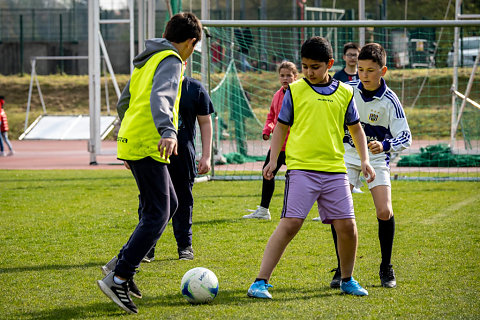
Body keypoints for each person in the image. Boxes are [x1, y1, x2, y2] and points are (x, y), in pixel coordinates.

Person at [246, 36, 375, 299]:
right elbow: (281, 126)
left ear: (329, 64)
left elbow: (356, 129)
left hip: (335, 171)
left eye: (314, 67)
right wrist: (272, 160)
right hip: (302, 169)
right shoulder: (294, 91)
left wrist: (364, 160)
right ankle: (259, 282)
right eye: (304, 66)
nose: (308, 72)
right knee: (290, 223)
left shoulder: (344, 92)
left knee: (347, 227)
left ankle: (347, 279)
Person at [97, 12, 202, 314]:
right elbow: (162, 97)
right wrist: (168, 131)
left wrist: (129, 137)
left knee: (170, 204)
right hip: (149, 142)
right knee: (158, 212)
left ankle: (120, 263)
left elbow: (123, 102)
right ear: (191, 42)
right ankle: (119, 276)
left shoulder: (148, 58)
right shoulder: (170, 60)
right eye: (194, 46)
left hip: (136, 141)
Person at [328, 43, 412, 289]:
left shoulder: (390, 100)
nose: (364, 75)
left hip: (376, 159)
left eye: (370, 70)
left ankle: (386, 266)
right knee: (339, 213)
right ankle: (342, 269)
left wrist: (384, 145)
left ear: (383, 71)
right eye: (361, 70)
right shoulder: (346, 90)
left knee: (384, 211)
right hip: (346, 155)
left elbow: (406, 137)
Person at [142, 76, 214, 262]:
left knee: (183, 202)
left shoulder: (194, 88)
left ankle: (184, 246)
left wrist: (206, 156)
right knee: (150, 202)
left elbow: (205, 122)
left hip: (183, 157)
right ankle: (146, 248)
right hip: (153, 155)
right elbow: (136, 118)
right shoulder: (150, 85)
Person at [242, 61, 298, 220]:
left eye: (289, 75)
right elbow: (271, 117)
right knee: (267, 172)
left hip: (297, 145)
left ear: (296, 76)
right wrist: (267, 130)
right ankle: (263, 210)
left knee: (303, 177)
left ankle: (322, 211)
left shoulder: (299, 94)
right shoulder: (277, 95)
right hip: (279, 145)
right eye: (282, 75)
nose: (285, 78)